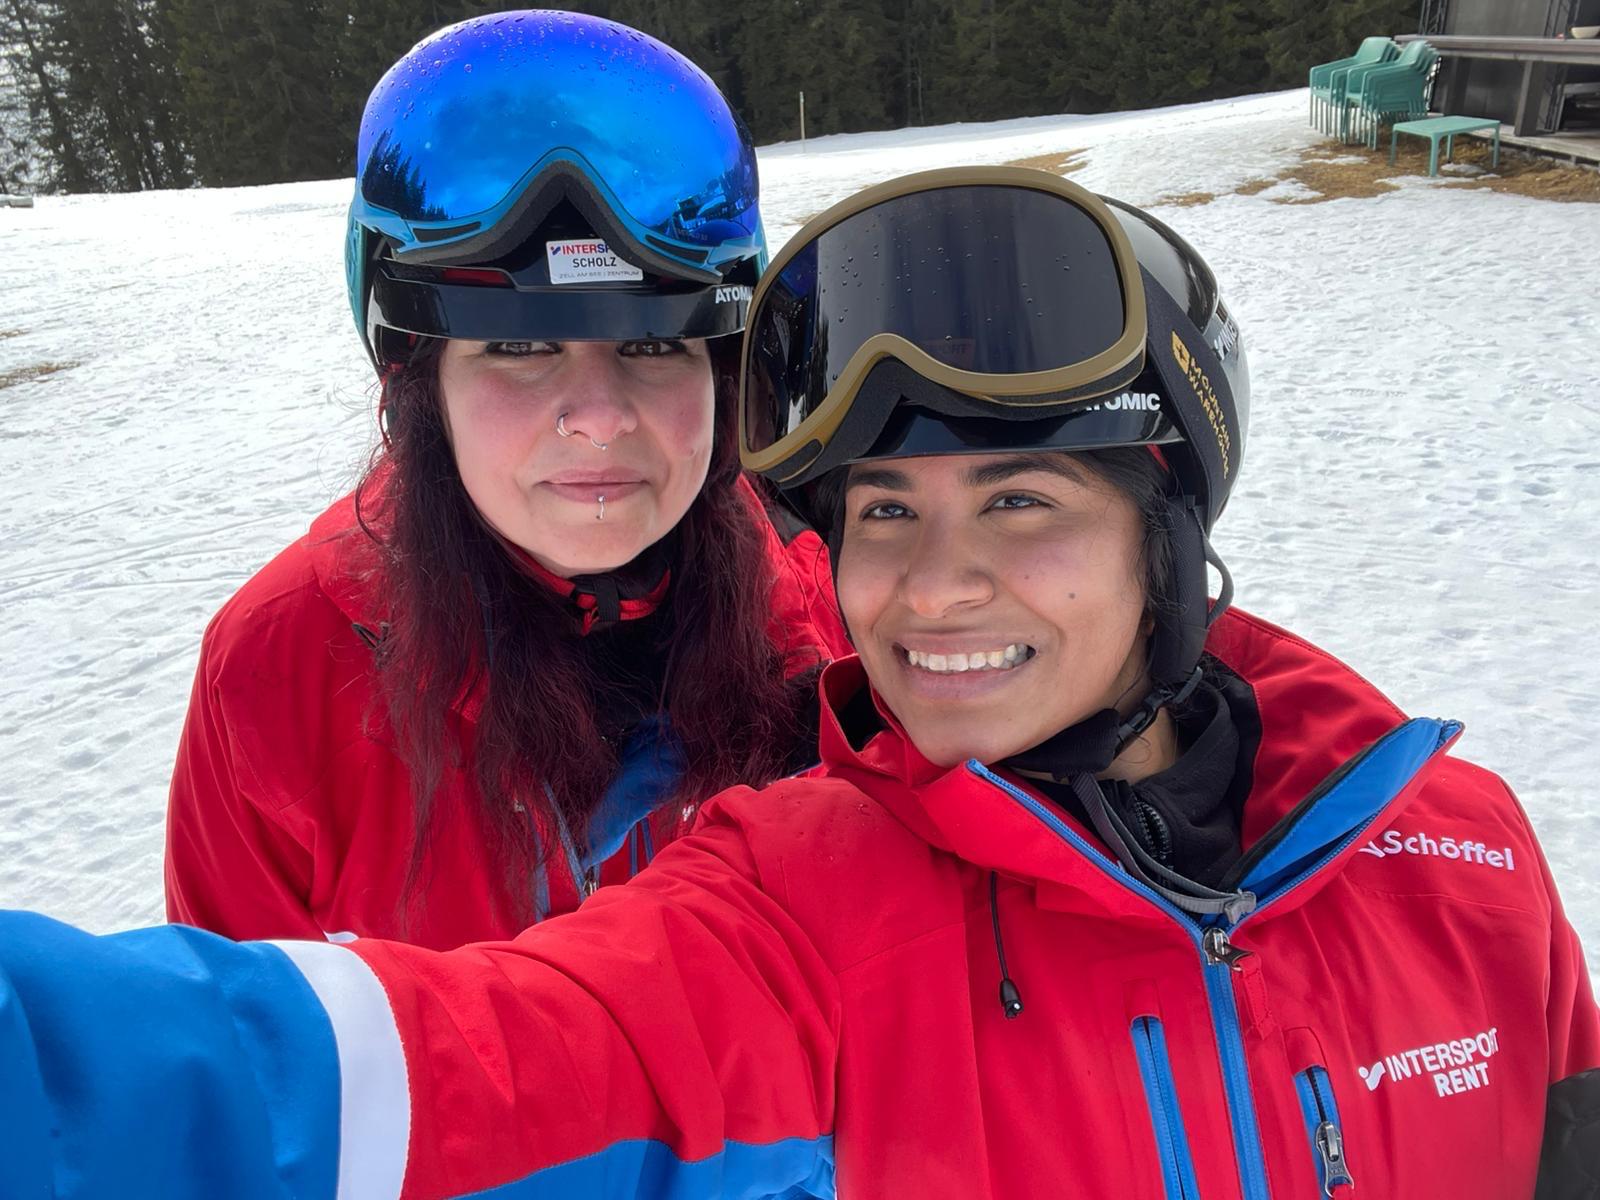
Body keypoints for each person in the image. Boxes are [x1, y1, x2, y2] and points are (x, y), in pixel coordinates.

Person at [3, 167, 1596, 1198]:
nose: (931, 587)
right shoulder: (803, 907)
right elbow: (424, 1070)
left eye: (1020, 499)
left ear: (1166, 535)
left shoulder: (1460, 853)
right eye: (883, 514)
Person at [162, 10, 850, 948]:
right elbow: (250, 1027)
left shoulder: (812, 609)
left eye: (654, 343)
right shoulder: (280, 676)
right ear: (420, 385)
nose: (599, 417)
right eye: (519, 347)